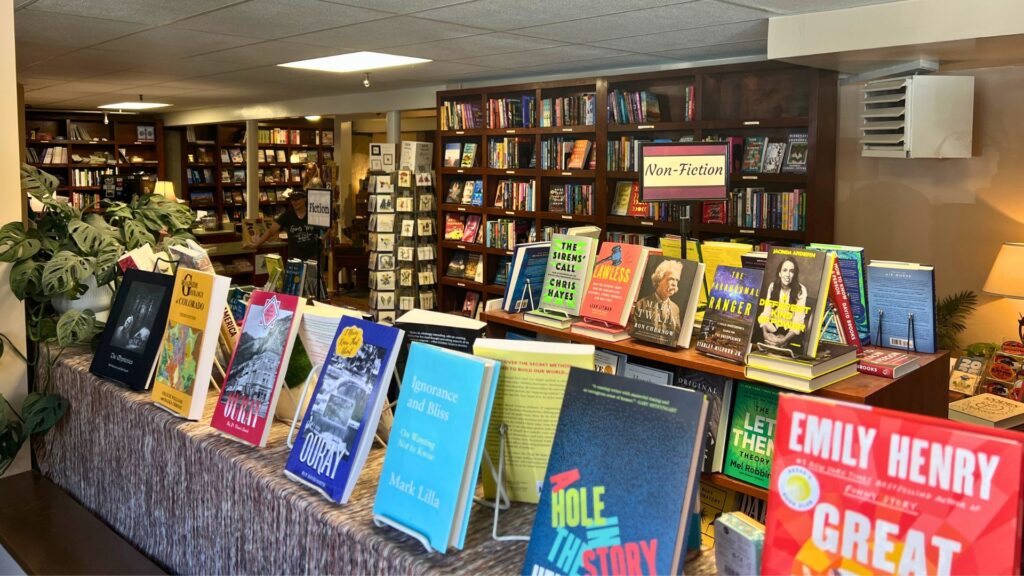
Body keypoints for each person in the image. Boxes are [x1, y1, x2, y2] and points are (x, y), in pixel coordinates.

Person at [245, 190, 322, 262]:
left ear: (305, 199)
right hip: (294, 258)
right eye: (292, 199)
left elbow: (327, 227)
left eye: (297, 199)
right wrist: (256, 244)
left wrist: (322, 241)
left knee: (312, 276)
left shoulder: (313, 214)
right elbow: (271, 231)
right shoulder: (287, 216)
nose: (294, 202)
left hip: (313, 257)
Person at [756, 256, 808, 349]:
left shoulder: (801, 290)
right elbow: (766, 314)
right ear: (779, 273)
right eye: (785, 270)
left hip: (791, 334)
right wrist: (765, 334)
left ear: (794, 274)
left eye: (791, 271)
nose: (787, 274)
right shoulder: (772, 287)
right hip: (772, 329)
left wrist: (784, 340)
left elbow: (798, 321)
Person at [632, 259, 683, 337]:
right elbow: (634, 333)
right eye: (671, 279)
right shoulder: (641, 304)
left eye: (677, 280)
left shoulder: (675, 308)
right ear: (659, 279)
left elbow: (676, 337)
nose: (675, 284)